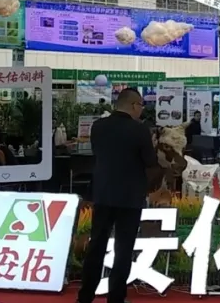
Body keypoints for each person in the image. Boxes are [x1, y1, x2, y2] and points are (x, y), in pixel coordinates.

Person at [78, 88, 158, 303]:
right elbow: (150, 161)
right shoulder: (139, 130)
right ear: (133, 105)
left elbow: (98, 154)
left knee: (97, 245)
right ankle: (116, 297)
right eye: (141, 105)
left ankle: (85, 296)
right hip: (130, 196)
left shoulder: (98, 126)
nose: (141, 110)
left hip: (103, 193)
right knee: (123, 249)